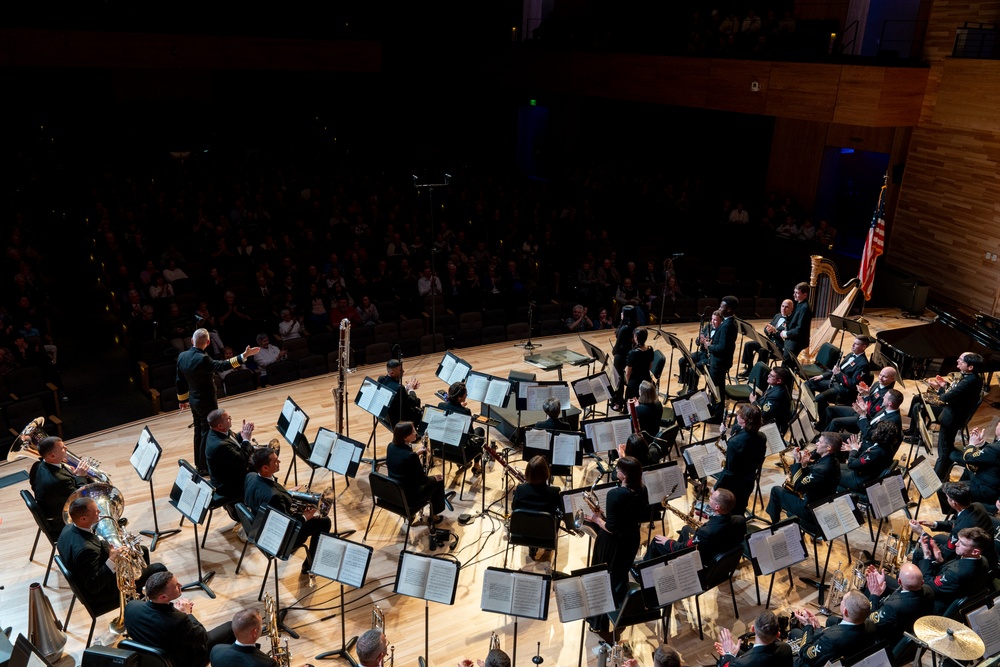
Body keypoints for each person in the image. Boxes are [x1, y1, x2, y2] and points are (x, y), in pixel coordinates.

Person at [57, 497, 166, 609]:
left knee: (143, 550)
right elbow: (93, 586)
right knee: (159, 568)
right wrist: (112, 559)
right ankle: (152, 608)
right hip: (103, 592)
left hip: (88, 569)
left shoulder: (68, 528)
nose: (99, 512)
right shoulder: (86, 550)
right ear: (83, 519)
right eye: (96, 511)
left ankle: (144, 593)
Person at [176, 328, 259, 472]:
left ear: (191, 341)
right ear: (208, 342)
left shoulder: (182, 356)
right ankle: (203, 466)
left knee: (198, 431)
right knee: (206, 432)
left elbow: (180, 380)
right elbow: (222, 366)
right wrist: (243, 356)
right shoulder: (203, 359)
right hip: (206, 402)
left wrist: (182, 399)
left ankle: (199, 463)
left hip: (194, 401)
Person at [243, 447, 332, 573]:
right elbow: (288, 526)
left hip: (260, 524)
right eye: (275, 461)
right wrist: (305, 516)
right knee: (324, 522)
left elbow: (266, 496)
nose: (279, 462)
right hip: (279, 539)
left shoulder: (250, 476)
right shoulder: (274, 496)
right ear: (265, 468)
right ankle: (309, 566)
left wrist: (286, 494)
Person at [124, 571, 235, 667]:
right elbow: (202, 637)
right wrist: (187, 614)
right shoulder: (178, 621)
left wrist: (175, 612)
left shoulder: (131, 606)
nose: (181, 585)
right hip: (182, 662)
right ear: (163, 597)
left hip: (150, 659)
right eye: (176, 586)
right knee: (232, 627)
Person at [587, 456, 648, 633]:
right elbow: (624, 519)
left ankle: (599, 622)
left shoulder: (614, 494)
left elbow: (612, 528)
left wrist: (597, 520)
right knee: (619, 576)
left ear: (625, 475)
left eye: (618, 469)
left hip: (612, 544)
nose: (616, 471)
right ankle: (616, 606)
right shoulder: (642, 490)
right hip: (631, 540)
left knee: (603, 578)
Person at [641, 489, 746, 564]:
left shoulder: (705, 532)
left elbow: (681, 548)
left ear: (717, 506)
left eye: (711, 498)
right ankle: (676, 560)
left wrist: (667, 541)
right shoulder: (740, 519)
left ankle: (641, 571)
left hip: (705, 560)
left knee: (657, 540)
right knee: (686, 528)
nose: (709, 499)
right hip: (722, 552)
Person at [927, 352, 985, 486]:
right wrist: (944, 386)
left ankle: (938, 479)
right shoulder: (972, 377)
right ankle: (942, 475)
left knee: (944, 449)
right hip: (954, 415)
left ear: (970, 367)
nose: (958, 361)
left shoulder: (969, 381)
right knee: (945, 447)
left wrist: (940, 390)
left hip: (952, 418)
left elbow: (946, 397)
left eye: (961, 360)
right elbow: (956, 393)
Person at [766, 432, 842, 531]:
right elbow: (813, 480)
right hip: (823, 504)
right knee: (786, 492)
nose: (817, 443)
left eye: (820, 442)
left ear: (828, 448)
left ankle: (775, 527)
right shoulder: (833, 461)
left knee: (776, 491)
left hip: (812, 511)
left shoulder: (822, 469)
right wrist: (804, 466)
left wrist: (797, 461)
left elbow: (798, 486)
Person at [908, 482, 994, 565]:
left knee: (918, 553)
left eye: (947, 498)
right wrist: (934, 524)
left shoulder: (960, 529)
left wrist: (921, 533)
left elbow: (946, 555)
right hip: (986, 552)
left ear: (954, 503)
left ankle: (917, 577)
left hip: (971, 560)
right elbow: (956, 522)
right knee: (938, 537)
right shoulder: (977, 506)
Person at [386, 421, 450, 528]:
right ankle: (434, 516)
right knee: (439, 481)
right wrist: (434, 478)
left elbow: (402, 460)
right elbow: (423, 481)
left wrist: (416, 454)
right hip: (410, 498)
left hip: (395, 493)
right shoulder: (410, 457)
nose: (416, 433)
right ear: (405, 437)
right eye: (413, 431)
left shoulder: (391, 446)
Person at [914, 526, 993, 613]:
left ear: (975, 551)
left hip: (936, 603)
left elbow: (927, 584)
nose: (956, 544)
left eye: (962, 543)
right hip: (952, 589)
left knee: (908, 579)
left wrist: (927, 556)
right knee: (919, 554)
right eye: (958, 540)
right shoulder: (983, 560)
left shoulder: (955, 574)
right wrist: (940, 560)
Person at [789, 591, 877, 667]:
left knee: (788, 652)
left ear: (845, 611)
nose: (841, 600)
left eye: (842, 600)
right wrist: (819, 629)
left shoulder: (830, 640)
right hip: (846, 657)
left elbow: (805, 655)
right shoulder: (870, 625)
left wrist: (808, 626)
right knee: (795, 632)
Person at [28, 435, 87, 541]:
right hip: (60, 523)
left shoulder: (36, 466)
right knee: (94, 507)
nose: (66, 448)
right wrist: (80, 476)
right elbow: (80, 499)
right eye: (62, 448)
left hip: (49, 511)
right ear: (52, 456)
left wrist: (67, 470)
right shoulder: (60, 481)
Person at [861, 563, 934, 644]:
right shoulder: (929, 590)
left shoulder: (892, 607)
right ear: (922, 582)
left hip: (888, 639)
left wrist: (874, 595)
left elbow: (870, 621)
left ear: (899, 581)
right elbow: (905, 595)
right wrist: (881, 588)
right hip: (912, 628)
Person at [716, 406, 767, 515]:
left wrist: (716, 487)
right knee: (740, 510)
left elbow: (728, 471)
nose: (737, 415)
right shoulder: (762, 437)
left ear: (744, 421)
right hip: (748, 482)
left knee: (729, 512)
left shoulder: (735, 442)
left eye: (739, 415)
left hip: (733, 484)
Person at [806, 336, 871, 419]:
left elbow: (853, 384)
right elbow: (836, 369)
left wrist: (839, 374)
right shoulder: (850, 355)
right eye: (853, 343)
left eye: (856, 344)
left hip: (844, 390)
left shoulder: (863, 364)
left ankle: (823, 420)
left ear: (864, 347)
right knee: (809, 383)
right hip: (835, 383)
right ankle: (818, 413)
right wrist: (822, 376)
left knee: (819, 398)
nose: (852, 345)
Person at [512, 455, 561, 561]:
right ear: (546, 472)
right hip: (546, 533)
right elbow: (560, 511)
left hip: (522, 532)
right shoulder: (554, 492)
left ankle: (532, 548)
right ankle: (547, 549)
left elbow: (514, 507)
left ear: (527, 472)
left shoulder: (520, 489)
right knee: (555, 517)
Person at [205, 408, 255, 511]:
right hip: (228, 485)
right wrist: (246, 440)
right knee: (261, 469)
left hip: (229, 473)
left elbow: (233, 440)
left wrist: (242, 434)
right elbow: (242, 461)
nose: (231, 419)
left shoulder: (219, 432)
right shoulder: (220, 445)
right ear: (220, 425)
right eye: (228, 418)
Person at [824, 367, 897, 434]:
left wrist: (865, 396)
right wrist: (864, 392)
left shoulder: (887, 396)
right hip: (858, 410)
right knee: (830, 409)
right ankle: (820, 433)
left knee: (835, 421)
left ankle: (828, 440)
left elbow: (871, 412)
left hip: (864, 417)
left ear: (893, 379)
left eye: (885, 377)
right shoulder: (877, 383)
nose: (881, 378)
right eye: (880, 375)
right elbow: (869, 396)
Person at [838, 421, 901, 493]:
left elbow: (851, 464)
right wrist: (853, 450)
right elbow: (868, 460)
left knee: (829, 472)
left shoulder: (876, 452)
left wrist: (854, 450)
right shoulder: (887, 446)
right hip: (865, 473)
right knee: (836, 465)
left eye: (876, 430)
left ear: (880, 435)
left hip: (860, 481)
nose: (874, 431)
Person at [437, 381, 485, 475]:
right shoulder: (466, 412)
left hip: (441, 449)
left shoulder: (441, 405)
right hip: (460, 453)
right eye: (465, 394)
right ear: (459, 398)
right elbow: (470, 433)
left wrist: (460, 409)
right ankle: (476, 466)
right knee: (479, 431)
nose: (467, 395)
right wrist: (466, 416)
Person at [715, 610, 793, 667]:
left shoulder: (740, 664)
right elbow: (757, 657)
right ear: (778, 634)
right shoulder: (786, 648)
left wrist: (728, 655)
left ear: (752, 629)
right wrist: (736, 653)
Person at [209, 608, 278, 667]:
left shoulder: (216, 650)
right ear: (254, 632)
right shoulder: (268, 664)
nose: (262, 627)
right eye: (261, 624)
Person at [739, 299, 793, 373]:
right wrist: (767, 330)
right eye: (782, 306)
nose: (783, 309)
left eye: (786, 307)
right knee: (749, 345)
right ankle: (749, 369)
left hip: (778, 348)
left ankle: (759, 372)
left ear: (791, 309)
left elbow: (787, 337)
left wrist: (775, 332)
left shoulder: (792, 321)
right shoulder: (777, 315)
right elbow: (767, 328)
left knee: (762, 351)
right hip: (768, 342)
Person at [953, 421, 1000, 504]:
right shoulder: (996, 447)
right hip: (994, 484)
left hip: (985, 489)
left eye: (998, 424)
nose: (997, 426)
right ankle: (960, 494)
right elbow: (992, 456)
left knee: (944, 491)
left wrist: (972, 444)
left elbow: (969, 458)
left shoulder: (995, 448)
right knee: (969, 468)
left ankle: (961, 506)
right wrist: (982, 443)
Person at [378, 358, 422, 428]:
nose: (403, 371)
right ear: (392, 373)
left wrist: (406, 388)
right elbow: (413, 403)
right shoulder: (399, 388)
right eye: (400, 370)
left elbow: (396, 391)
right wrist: (411, 389)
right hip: (399, 420)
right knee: (422, 410)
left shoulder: (381, 379)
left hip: (386, 418)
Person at [610, 305, 638, 410]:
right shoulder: (635, 326)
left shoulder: (624, 328)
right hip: (629, 355)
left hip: (620, 357)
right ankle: (625, 402)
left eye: (622, 313)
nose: (621, 314)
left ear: (626, 315)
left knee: (618, 379)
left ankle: (618, 401)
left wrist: (613, 352)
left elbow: (616, 347)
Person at [751, 366, 792, 434]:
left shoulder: (777, 395)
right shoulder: (777, 387)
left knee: (742, 418)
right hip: (768, 417)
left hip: (770, 424)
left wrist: (753, 402)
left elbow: (763, 413)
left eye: (771, 376)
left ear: (779, 381)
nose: (768, 376)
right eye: (769, 374)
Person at [781, 282, 812, 359]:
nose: (794, 295)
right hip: (794, 337)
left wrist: (786, 334)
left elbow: (799, 330)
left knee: (786, 359)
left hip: (798, 341)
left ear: (805, 295)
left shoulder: (805, 308)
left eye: (797, 293)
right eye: (794, 292)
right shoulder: (800, 303)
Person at [624, 327, 653, 401]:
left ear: (636, 337)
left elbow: (628, 373)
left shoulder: (632, 353)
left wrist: (628, 384)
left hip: (635, 383)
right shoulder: (650, 349)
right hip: (646, 380)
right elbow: (650, 367)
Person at [635, 380, 665, 445]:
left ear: (642, 394)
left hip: (644, 440)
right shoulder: (659, 404)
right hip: (655, 435)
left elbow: (633, 425)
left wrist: (632, 410)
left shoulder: (638, 410)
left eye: (639, 390)